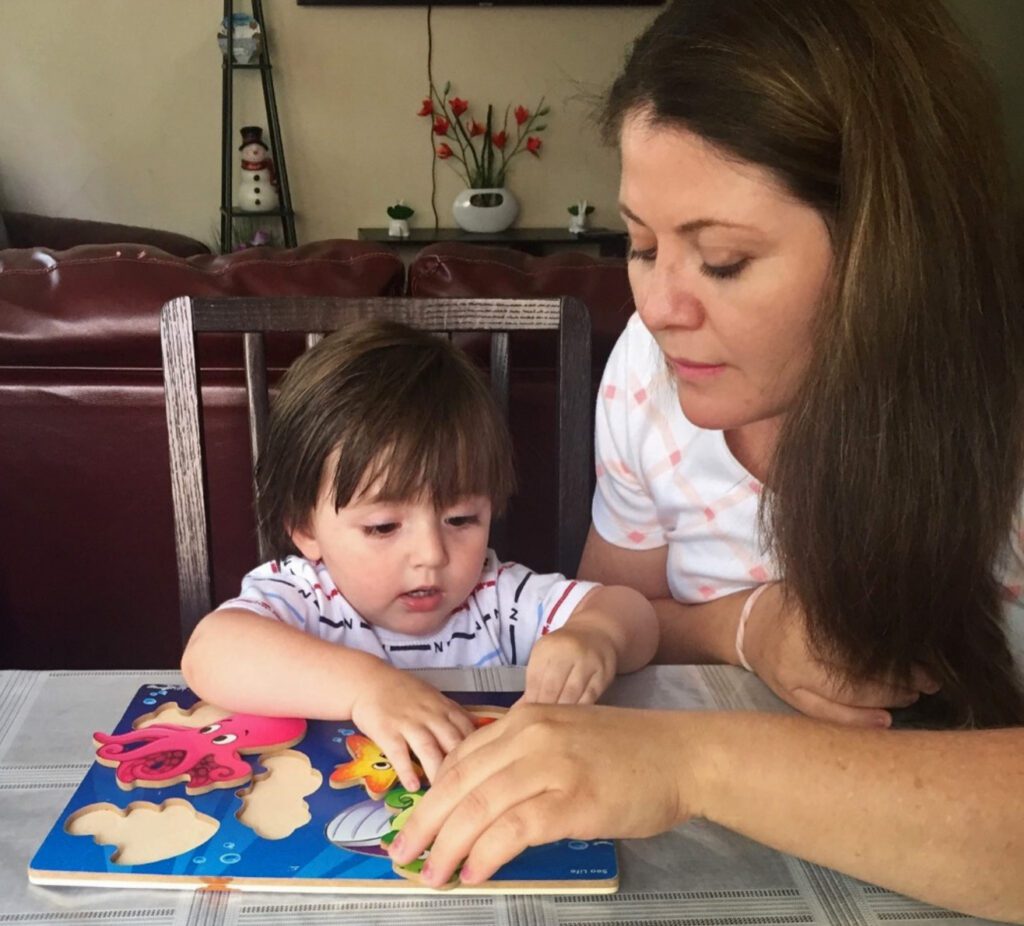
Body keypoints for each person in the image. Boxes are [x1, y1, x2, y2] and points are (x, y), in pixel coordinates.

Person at [390, 0, 1024, 918]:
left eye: (721, 260)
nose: (657, 308)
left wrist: (691, 762)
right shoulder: (649, 379)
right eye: (640, 245)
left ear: (897, 254)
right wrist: (750, 627)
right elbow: (618, 608)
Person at [181, 319, 658, 791]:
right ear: (306, 528)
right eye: (383, 526)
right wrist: (369, 688)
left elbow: (635, 614)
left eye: (461, 520)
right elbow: (209, 653)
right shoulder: (304, 596)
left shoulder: (497, 597)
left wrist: (597, 634)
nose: (431, 555)